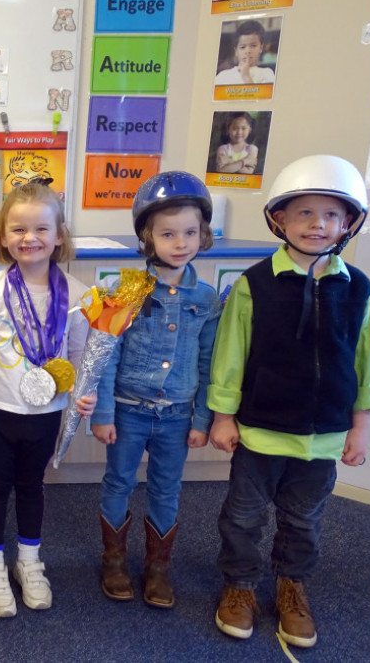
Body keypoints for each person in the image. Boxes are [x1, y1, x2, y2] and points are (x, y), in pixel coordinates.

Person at [209, 155, 370, 648]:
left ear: (348, 224)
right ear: (279, 219)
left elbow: (364, 364)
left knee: (303, 517)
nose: (317, 224)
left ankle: (291, 585)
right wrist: (223, 414)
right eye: (304, 213)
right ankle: (239, 584)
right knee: (243, 514)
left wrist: (359, 426)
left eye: (330, 215)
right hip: (261, 430)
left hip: (324, 436)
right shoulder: (255, 284)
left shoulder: (359, 290)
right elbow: (231, 354)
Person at [91, 172, 221, 609]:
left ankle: (159, 567)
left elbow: (208, 363)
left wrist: (202, 419)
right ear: (148, 237)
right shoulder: (124, 290)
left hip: (177, 415)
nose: (180, 242)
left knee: (167, 488)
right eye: (168, 233)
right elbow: (105, 355)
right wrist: (103, 412)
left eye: (189, 232)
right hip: (127, 410)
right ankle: (113, 559)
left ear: (202, 234)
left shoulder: (207, 299)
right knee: (119, 480)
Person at [0, 180, 95, 618]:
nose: (29, 238)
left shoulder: (77, 296)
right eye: (18, 229)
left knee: (32, 487)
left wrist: (81, 397)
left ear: (59, 235)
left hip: (46, 414)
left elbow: (78, 355)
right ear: (3, 236)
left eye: (41, 228)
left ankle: (28, 561)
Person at [215, 20, 275, 86]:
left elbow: (264, 96)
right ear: (236, 51)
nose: (248, 51)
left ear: (260, 48)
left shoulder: (267, 73)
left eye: (253, 46)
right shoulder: (223, 76)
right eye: (243, 47)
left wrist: (246, 77)